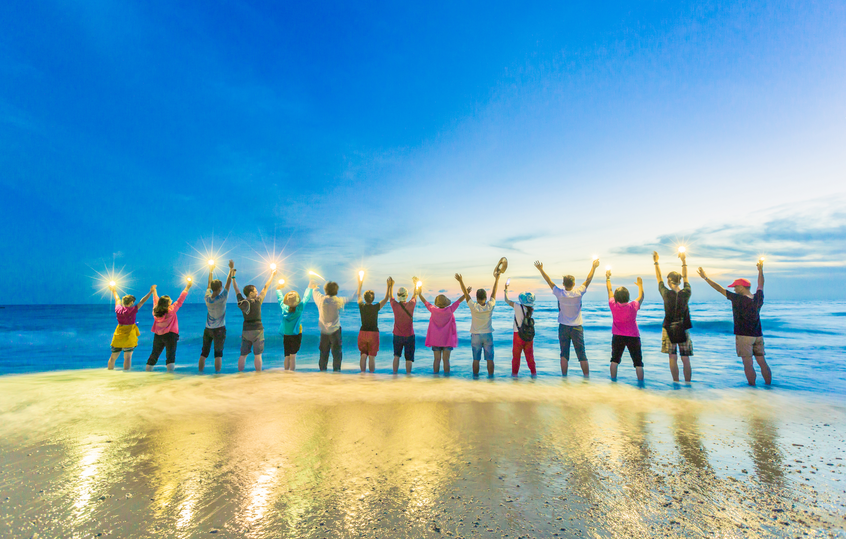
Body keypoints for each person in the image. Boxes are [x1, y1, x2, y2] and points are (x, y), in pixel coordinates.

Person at [697, 259, 772, 386]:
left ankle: (752, 391)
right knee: (762, 361)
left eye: (736, 287)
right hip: (758, 335)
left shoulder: (737, 299)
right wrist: (760, 270)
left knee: (748, 363)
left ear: (742, 287)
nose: (734, 289)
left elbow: (719, 289)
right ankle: (769, 388)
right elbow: (761, 284)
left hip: (744, 336)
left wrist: (705, 278)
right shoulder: (758, 297)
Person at [534, 258, 600, 377]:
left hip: (564, 327)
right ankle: (586, 378)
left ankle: (564, 378)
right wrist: (594, 267)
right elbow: (588, 280)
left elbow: (549, 281)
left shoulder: (560, 294)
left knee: (564, 354)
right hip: (577, 328)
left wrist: (541, 270)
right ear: (574, 284)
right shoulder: (578, 293)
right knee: (582, 354)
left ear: (563, 284)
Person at [653, 251, 693, 382]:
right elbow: (686, 276)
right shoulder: (686, 292)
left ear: (669, 281)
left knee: (672, 357)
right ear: (680, 281)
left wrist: (656, 262)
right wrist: (683, 261)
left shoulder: (665, 293)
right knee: (685, 358)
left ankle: (676, 383)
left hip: (668, 329)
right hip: (684, 328)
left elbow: (658, 278)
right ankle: (688, 384)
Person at [419, 275, 468, 375]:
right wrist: (467, 292)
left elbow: (424, 301)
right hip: (447, 340)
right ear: (446, 303)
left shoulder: (433, 310)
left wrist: (419, 290)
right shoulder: (450, 310)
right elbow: (460, 300)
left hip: (436, 340)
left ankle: (436, 379)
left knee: (436, 360)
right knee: (446, 360)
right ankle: (446, 380)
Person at [457, 268, 501, 377]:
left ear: (476, 298)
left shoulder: (473, 306)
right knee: (490, 359)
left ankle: (475, 380)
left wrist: (461, 281)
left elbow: (465, 294)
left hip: (476, 335)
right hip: (487, 335)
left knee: (476, 359)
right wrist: (497, 279)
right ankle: (491, 379)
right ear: (486, 298)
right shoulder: (490, 305)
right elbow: (494, 292)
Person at [232, 269, 276, 372]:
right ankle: (258, 374)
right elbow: (266, 287)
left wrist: (233, 277)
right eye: (256, 290)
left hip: (246, 331)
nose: (257, 292)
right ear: (251, 292)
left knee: (243, 355)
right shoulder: (258, 301)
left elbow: (237, 290)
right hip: (257, 330)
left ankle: (240, 374)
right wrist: (272, 275)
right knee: (258, 355)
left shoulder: (242, 302)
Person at [605, 269, 645, 381]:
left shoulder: (613, 304)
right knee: (638, 362)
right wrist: (640, 286)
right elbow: (641, 297)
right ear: (628, 296)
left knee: (614, 360)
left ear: (616, 297)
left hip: (617, 336)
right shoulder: (633, 306)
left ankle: (613, 382)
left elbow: (609, 290)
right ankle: (641, 385)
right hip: (633, 336)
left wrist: (608, 278)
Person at [312, 278, 357, 372]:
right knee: (337, 354)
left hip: (324, 331)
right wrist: (358, 288)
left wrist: (314, 287)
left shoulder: (321, 300)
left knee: (323, 353)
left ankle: (322, 373)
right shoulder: (338, 301)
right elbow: (351, 298)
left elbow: (314, 292)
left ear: (325, 290)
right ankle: (336, 373)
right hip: (335, 331)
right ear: (336, 291)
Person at [146, 282, 192, 372]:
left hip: (158, 335)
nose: (172, 301)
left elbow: (155, 301)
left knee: (154, 355)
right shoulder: (171, 310)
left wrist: (154, 291)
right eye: (170, 300)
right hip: (170, 335)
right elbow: (180, 300)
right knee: (170, 356)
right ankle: (170, 377)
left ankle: (147, 373)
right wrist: (187, 287)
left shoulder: (156, 311)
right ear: (168, 303)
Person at [198, 260, 234, 373]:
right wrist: (231, 269)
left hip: (208, 329)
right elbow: (228, 283)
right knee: (218, 354)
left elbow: (209, 285)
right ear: (219, 289)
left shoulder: (207, 298)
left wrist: (210, 271)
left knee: (204, 353)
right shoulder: (222, 297)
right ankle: (217, 375)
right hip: (219, 329)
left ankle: (200, 373)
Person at [107, 284, 153, 370]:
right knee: (127, 357)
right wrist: (151, 292)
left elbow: (117, 299)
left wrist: (114, 290)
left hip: (119, 334)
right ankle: (126, 375)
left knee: (113, 357)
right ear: (131, 302)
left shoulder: (118, 309)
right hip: (129, 335)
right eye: (133, 302)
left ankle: (109, 373)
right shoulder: (133, 309)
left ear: (123, 302)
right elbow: (142, 301)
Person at [357, 276, 392, 373]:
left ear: (365, 298)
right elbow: (386, 298)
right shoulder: (376, 307)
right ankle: (372, 378)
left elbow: (358, 294)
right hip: (373, 334)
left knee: (363, 355)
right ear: (373, 299)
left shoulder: (362, 306)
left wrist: (360, 282)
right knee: (371, 357)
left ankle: (362, 375)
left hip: (363, 333)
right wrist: (388, 286)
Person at [277, 281, 314, 371]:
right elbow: (306, 297)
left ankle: (286, 372)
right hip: (296, 334)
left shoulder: (284, 308)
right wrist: (310, 287)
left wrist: (278, 289)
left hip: (286, 334)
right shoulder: (299, 308)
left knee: (286, 355)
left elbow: (280, 298)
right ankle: (292, 374)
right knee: (293, 356)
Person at [503, 283, 536, 376]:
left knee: (516, 358)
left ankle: (514, 377)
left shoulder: (518, 306)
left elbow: (506, 300)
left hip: (518, 335)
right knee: (530, 357)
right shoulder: (531, 309)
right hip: (529, 335)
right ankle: (534, 375)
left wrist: (505, 289)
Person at [390, 278, 419, 374]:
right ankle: (408, 377)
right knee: (409, 358)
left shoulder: (395, 305)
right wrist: (415, 285)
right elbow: (415, 295)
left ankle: (394, 375)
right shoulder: (411, 304)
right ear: (406, 296)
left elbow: (391, 297)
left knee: (396, 356)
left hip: (397, 335)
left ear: (398, 296)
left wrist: (391, 285)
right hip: (409, 335)